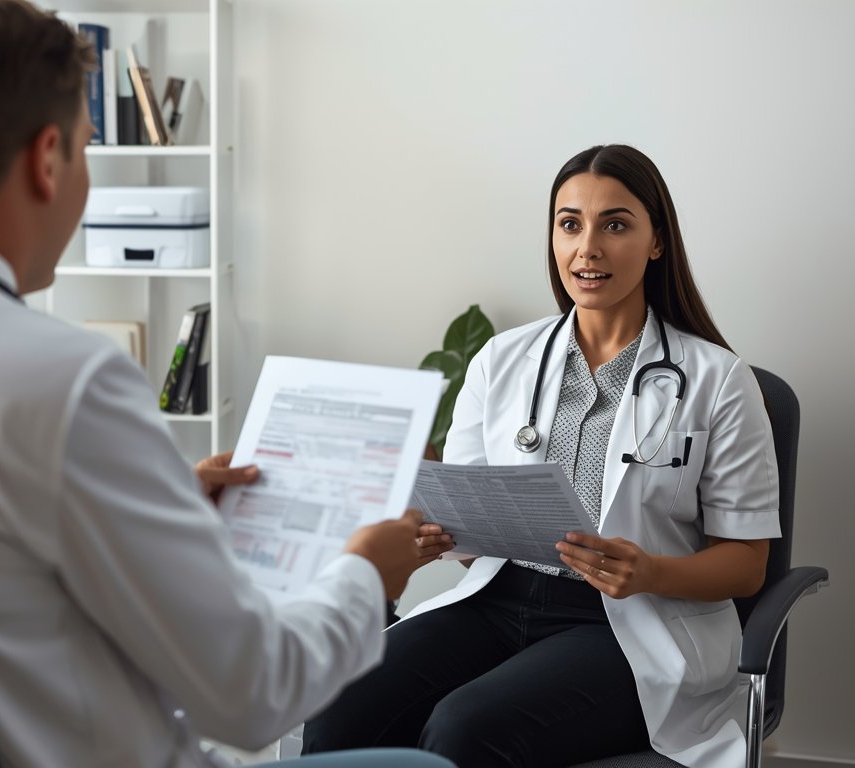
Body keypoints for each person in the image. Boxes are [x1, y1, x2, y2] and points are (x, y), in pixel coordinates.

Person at [0, 2, 457, 767]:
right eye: (90, 148)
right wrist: (366, 572)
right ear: (48, 157)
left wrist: (158, 504)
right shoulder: (62, 380)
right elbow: (254, 694)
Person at [302, 144, 781, 768]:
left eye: (616, 224)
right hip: (496, 598)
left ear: (657, 241)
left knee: (465, 728)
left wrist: (651, 574)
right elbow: (470, 525)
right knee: (342, 699)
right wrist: (435, 536)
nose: (588, 249)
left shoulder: (717, 379)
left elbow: (746, 566)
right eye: (569, 224)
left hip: (629, 623)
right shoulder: (501, 360)